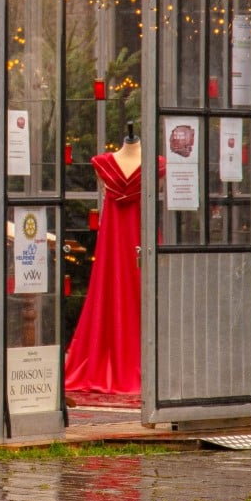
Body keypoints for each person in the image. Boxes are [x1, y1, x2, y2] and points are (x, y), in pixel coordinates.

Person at [63, 125, 144, 396]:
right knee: (120, 288)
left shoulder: (105, 164)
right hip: (129, 237)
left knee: (133, 288)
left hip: (129, 240)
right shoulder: (107, 163)